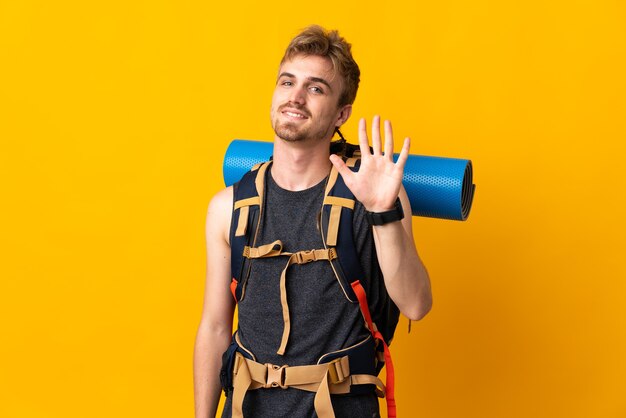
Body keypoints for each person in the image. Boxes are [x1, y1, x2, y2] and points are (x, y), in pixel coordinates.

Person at [194, 25, 432, 418]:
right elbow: (215, 328)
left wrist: (381, 212)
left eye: (316, 88)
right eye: (288, 82)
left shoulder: (375, 194)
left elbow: (416, 304)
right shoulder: (229, 207)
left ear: (341, 113)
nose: (296, 97)